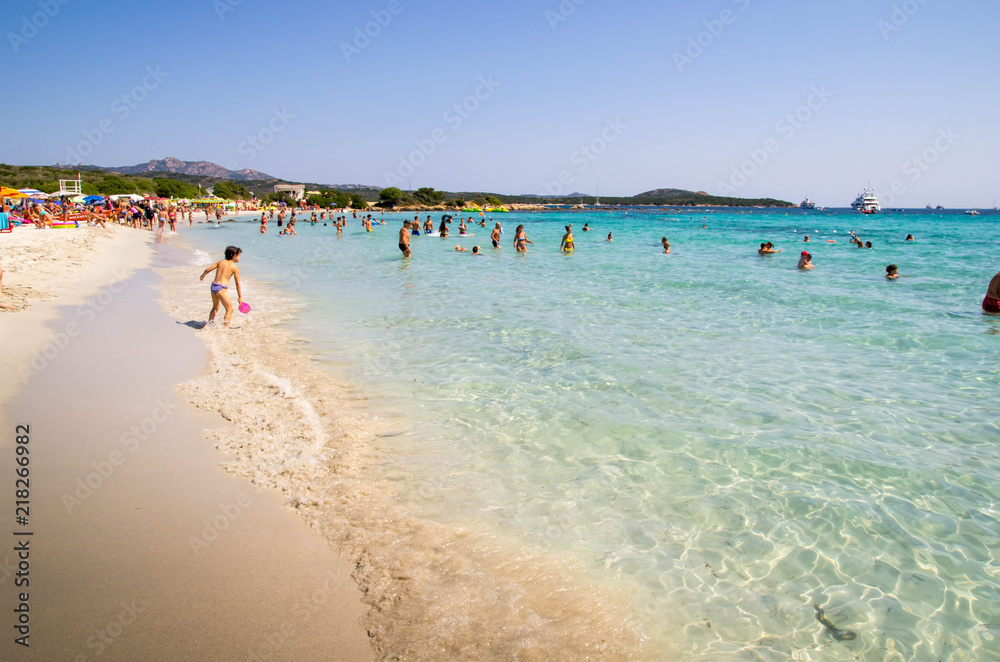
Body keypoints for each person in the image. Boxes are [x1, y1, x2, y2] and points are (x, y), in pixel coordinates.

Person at [199, 246, 243, 328]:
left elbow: (208, 269)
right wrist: (240, 297)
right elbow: (237, 283)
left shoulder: (220, 262)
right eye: (239, 255)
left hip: (213, 286)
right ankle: (226, 328)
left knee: (215, 307)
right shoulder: (234, 267)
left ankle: (210, 324)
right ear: (234, 255)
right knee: (229, 309)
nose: (239, 258)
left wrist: (203, 275)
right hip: (222, 288)